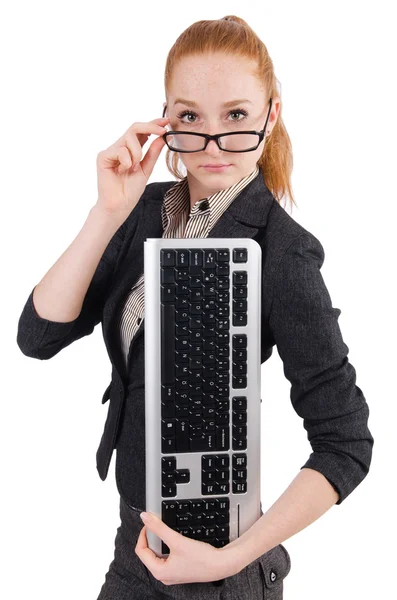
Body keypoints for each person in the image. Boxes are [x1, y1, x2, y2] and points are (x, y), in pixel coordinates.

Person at [16, 15, 374, 600]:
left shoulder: (281, 250)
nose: (212, 143)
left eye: (236, 116)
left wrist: (228, 559)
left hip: (220, 565)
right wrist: (106, 211)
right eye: (190, 117)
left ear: (270, 116)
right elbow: (39, 336)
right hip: (135, 541)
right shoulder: (143, 212)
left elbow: (346, 442)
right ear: (165, 120)